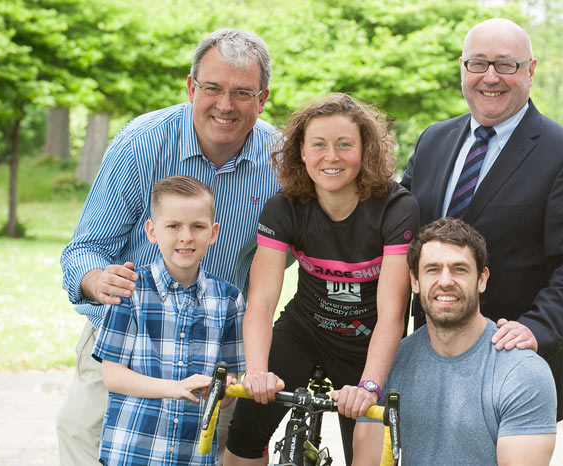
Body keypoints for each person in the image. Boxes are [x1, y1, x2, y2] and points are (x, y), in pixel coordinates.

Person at [58, 29, 279, 466]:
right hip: (128, 333)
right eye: (212, 88)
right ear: (191, 86)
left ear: (263, 98)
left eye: (242, 93)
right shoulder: (141, 143)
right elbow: (83, 249)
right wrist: (97, 280)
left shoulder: (281, 161)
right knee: (84, 434)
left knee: (209, 453)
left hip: (216, 342)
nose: (225, 105)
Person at [401, 18, 563, 421]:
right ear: (463, 68)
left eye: (505, 65)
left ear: (530, 71)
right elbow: (398, 233)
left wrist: (538, 329)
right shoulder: (433, 139)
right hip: (427, 355)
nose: (490, 77)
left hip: (508, 361)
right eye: (478, 63)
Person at [222, 94, 420, 465]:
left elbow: (393, 314)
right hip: (305, 329)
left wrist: (370, 386)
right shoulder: (284, 207)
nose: (331, 156)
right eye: (319, 145)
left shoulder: (397, 207)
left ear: (366, 151)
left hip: (367, 341)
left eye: (345, 145)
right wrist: (256, 370)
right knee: (243, 437)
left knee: (371, 455)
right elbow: (262, 301)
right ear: (301, 151)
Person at [354, 217, 557, 466]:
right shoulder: (389, 362)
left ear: (482, 279)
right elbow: (369, 462)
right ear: (415, 281)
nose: (446, 281)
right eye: (433, 269)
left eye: (459, 269)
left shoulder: (522, 372)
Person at [93, 176, 242, 465]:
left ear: (213, 233)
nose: (186, 236)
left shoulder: (229, 300)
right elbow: (113, 376)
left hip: (193, 456)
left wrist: (222, 391)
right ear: (152, 231)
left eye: (197, 227)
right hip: (133, 452)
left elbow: (229, 391)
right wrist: (175, 388)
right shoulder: (130, 290)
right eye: (173, 226)